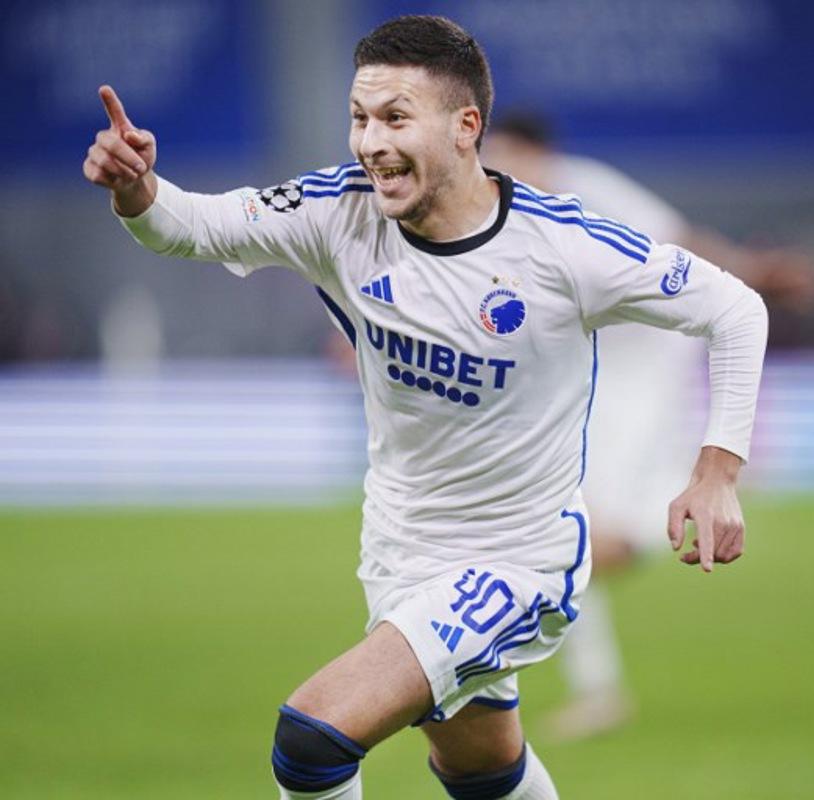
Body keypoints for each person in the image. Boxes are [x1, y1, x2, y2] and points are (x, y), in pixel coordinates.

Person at [82, 14, 768, 800]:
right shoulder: (338, 213)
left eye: (395, 118)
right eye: (360, 117)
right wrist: (138, 189)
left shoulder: (563, 247)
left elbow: (736, 309)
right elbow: (191, 227)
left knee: (313, 737)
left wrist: (717, 471)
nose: (370, 141)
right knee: (480, 768)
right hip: (399, 553)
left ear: (465, 126)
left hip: (520, 563)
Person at [482, 112, 813, 740]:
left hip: (646, 360)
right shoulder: (502, 208)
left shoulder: (590, 188)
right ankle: (600, 676)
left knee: (580, 535)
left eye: (508, 154)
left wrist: (750, 267)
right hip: (590, 364)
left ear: (536, 152)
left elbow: (676, 242)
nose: (501, 169)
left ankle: (666, 522)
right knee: (567, 532)